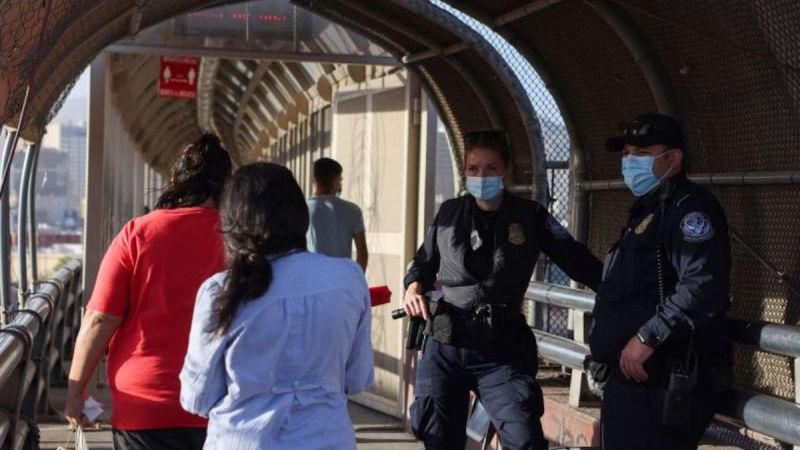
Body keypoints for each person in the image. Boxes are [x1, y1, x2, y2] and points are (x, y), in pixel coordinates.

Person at [403, 130, 602, 450]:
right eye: (473, 169)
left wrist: (623, 290)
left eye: (491, 168)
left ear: (506, 171)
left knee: (524, 440)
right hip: (446, 345)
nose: (482, 176)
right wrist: (413, 288)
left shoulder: (530, 216)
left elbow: (578, 262)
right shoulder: (449, 213)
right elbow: (423, 264)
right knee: (438, 438)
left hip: (500, 349)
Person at [180, 162, 374, 450]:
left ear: (233, 221)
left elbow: (197, 397)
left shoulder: (221, 291)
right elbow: (357, 378)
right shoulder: (348, 279)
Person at [64, 134, 232, 449]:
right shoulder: (240, 240)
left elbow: (100, 318)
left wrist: (76, 389)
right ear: (227, 186)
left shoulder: (138, 234)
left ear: (174, 181)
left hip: (143, 404)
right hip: (221, 402)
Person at [589, 113, 732, 450]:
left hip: (663, 381)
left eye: (641, 153)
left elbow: (702, 284)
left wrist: (647, 337)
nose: (629, 162)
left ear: (673, 159)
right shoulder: (649, 211)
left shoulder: (690, 211)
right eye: (626, 153)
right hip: (634, 382)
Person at [307, 157, 368, 271]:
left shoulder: (302, 209)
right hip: (342, 277)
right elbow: (362, 251)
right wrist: (357, 277)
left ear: (314, 180)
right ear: (336, 181)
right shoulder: (353, 211)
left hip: (311, 276)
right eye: (340, 180)